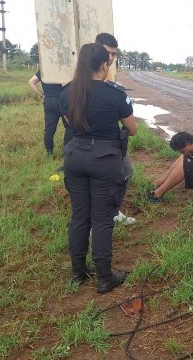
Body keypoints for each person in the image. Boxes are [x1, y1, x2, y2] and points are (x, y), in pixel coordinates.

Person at [61, 43, 138, 294]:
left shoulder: (67, 93)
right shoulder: (115, 94)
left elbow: (71, 123)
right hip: (105, 160)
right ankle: (104, 278)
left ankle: (78, 272)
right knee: (103, 219)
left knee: (80, 216)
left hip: (74, 157)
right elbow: (132, 129)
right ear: (104, 64)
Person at [94, 32, 136, 225]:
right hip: (88, 142)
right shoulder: (82, 74)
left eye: (113, 54)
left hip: (110, 141)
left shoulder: (109, 76)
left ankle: (113, 211)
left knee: (126, 170)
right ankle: (97, 221)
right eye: (107, 53)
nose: (110, 58)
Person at [29, 66, 71, 156]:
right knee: (69, 127)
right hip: (63, 101)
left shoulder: (44, 70)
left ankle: (49, 152)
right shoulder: (63, 69)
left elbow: (31, 82)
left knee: (49, 130)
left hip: (49, 101)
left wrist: (42, 95)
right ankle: (66, 152)